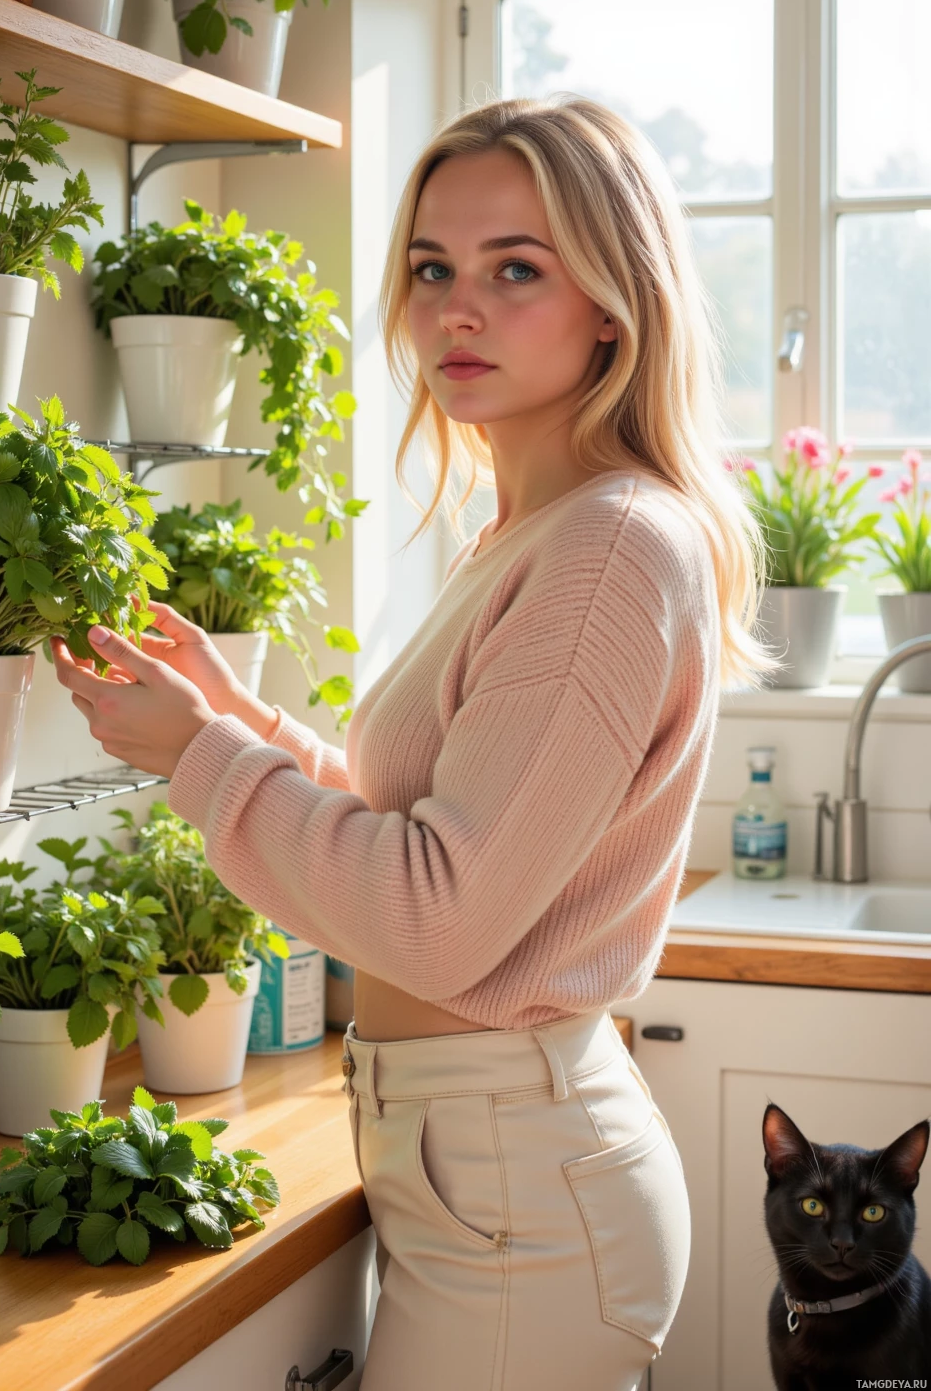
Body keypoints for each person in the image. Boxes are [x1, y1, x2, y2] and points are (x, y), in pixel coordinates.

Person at [52, 96, 768, 1389]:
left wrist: (197, 760)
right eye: (432, 268)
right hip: (487, 1169)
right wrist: (239, 723)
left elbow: (438, 921)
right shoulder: (532, 534)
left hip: (520, 1204)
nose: (456, 311)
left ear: (615, 299)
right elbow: (434, 829)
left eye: (515, 269)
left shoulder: (605, 548)